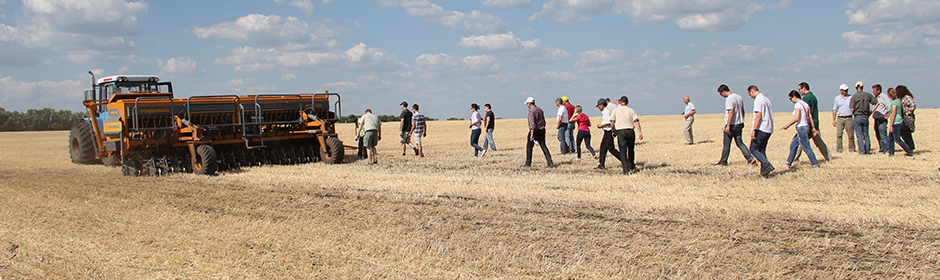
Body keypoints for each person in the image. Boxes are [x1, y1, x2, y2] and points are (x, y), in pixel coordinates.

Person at [716, 84, 755, 166]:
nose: (721, 95)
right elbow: (742, 110)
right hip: (739, 123)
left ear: (724, 91)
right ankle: (750, 158)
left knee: (727, 144)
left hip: (732, 124)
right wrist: (742, 120)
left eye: (721, 93)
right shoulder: (739, 97)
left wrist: (728, 125)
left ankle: (723, 161)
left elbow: (731, 112)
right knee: (740, 142)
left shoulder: (729, 99)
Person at [793, 82, 830, 161]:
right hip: (814, 123)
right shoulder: (813, 97)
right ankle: (828, 157)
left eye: (799, 89)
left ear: (804, 88)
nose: (799, 91)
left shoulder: (806, 98)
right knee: (819, 143)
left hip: (808, 124)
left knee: (799, 141)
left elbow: (806, 113)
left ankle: (793, 159)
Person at [783, 90, 819, 169]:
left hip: (801, 128)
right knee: (793, 145)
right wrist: (813, 128)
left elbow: (797, 118)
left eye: (791, 98)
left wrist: (787, 125)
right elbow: (810, 117)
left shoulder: (798, 105)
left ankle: (815, 164)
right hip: (806, 127)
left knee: (806, 147)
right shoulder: (805, 104)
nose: (791, 100)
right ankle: (788, 164)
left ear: (794, 96)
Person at [609, 96, 644, 174]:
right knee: (631, 150)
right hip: (630, 131)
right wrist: (640, 132)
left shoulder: (615, 110)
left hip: (620, 131)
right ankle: (631, 165)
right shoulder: (631, 110)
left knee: (623, 151)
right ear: (627, 102)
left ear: (620, 102)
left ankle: (625, 169)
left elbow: (612, 122)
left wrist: (613, 130)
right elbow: (636, 121)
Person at [747, 86, 774, 177]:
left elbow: (758, 116)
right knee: (761, 150)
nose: (750, 96)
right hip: (769, 128)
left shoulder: (758, 100)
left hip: (761, 128)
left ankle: (767, 165)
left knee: (753, 149)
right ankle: (764, 173)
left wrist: (754, 129)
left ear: (753, 91)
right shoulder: (766, 99)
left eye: (750, 94)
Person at [524, 97, 553, 167]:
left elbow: (532, 123)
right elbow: (543, 121)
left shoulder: (531, 111)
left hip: (535, 130)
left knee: (529, 147)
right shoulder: (540, 110)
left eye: (527, 103)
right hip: (542, 130)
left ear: (529, 103)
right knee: (543, 146)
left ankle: (528, 163)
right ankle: (550, 162)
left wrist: (532, 134)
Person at [849, 81, 877, 155]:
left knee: (859, 135)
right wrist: (871, 112)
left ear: (856, 87)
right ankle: (867, 151)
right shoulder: (868, 95)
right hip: (865, 116)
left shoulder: (854, 96)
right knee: (866, 135)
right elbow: (877, 103)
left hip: (858, 116)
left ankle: (861, 151)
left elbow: (852, 108)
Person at [595, 98, 621, 170]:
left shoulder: (606, 112)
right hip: (607, 132)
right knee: (603, 148)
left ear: (602, 105)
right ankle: (601, 164)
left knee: (611, 149)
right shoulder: (606, 111)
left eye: (599, 106)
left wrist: (602, 125)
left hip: (608, 132)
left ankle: (625, 161)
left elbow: (610, 122)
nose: (599, 108)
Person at [887, 88, 913, 157]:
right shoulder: (899, 101)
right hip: (899, 121)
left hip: (896, 122)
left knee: (897, 139)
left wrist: (891, 125)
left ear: (889, 95)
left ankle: (909, 151)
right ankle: (891, 152)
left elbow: (893, 114)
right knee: (890, 138)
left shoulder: (894, 103)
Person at [832, 84, 855, 153]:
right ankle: (839, 149)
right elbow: (835, 109)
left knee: (851, 135)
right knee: (839, 135)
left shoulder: (851, 97)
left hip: (849, 118)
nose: (846, 91)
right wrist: (834, 120)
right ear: (841, 90)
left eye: (847, 90)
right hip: (840, 118)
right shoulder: (837, 98)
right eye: (845, 90)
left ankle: (852, 149)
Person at [871, 84, 891, 154]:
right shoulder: (876, 98)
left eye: (874, 90)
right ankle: (882, 148)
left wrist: (887, 116)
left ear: (879, 90)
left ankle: (887, 149)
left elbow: (890, 107)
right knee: (878, 134)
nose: (873, 92)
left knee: (883, 135)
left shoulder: (884, 97)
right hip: (876, 119)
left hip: (882, 119)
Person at [896, 85, 917, 150]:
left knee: (906, 133)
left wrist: (909, 111)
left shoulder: (906, 97)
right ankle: (910, 148)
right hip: (903, 118)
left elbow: (913, 104)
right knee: (905, 134)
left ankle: (910, 148)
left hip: (907, 118)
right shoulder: (901, 98)